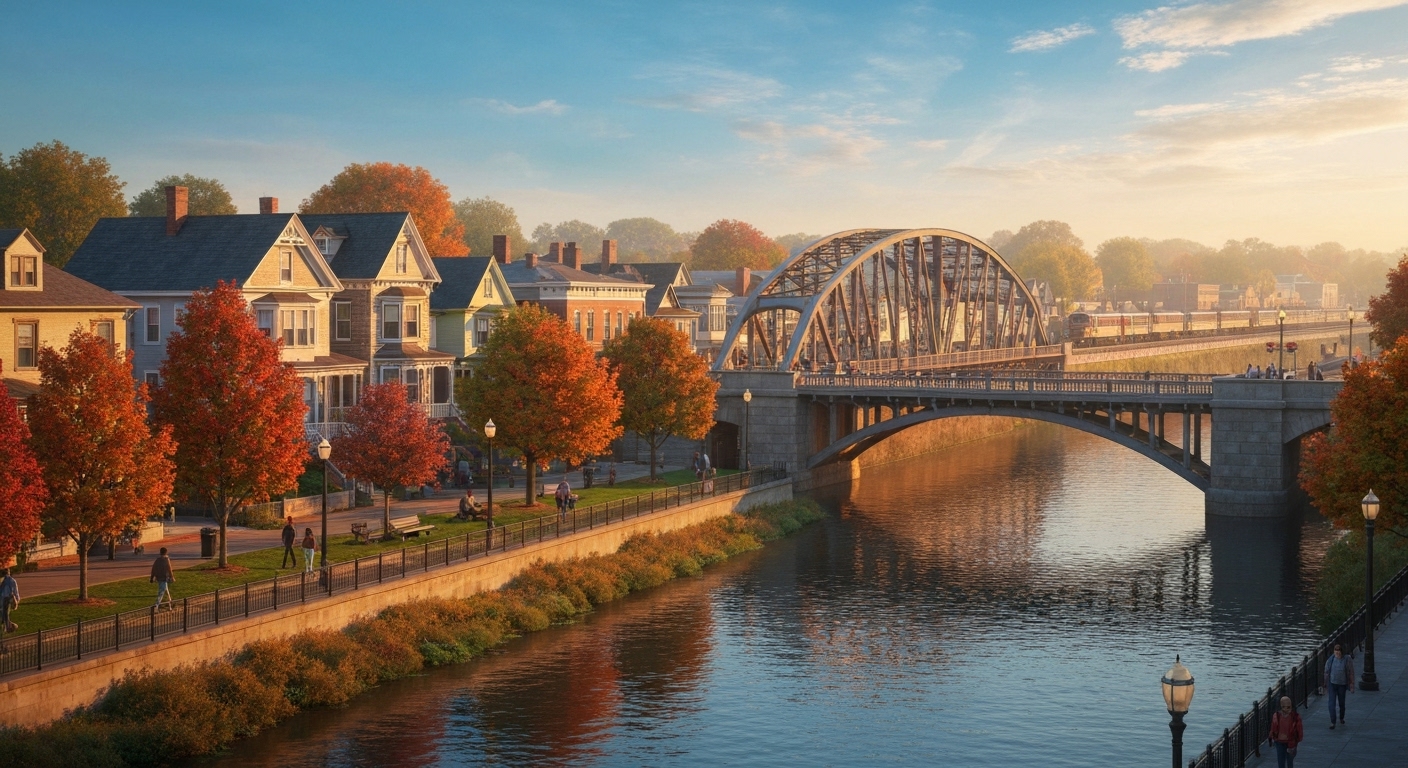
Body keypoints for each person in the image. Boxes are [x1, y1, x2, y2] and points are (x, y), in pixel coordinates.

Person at [1323, 643, 1355, 728]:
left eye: (1339, 651)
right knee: (1331, 703)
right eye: (1335, 651)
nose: (1337, 653)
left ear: (1342, 651)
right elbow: (1326, 672)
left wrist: (1351, 684)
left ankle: (1341, 717)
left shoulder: (1347, 659)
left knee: (1341, 703)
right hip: (1332, 684)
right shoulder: (1331, 659)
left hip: (1342, 685)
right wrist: (1325, 684)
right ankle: (1333, 721)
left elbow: (1351, 672)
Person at [1268, 695, 1303, 767]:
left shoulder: (1278, 716)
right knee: (1285, 763)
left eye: (1288, 707)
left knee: (1285, 762)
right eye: (1284, 707)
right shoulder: (1293, 716)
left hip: (1285, 742)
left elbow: (1273, 728)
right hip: (1285, 742)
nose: (1286, 709)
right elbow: (1273, 728)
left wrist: (1271, 737)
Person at [150, 547, 175, 611]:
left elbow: (153, 569)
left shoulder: (157, 560)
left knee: (166, 592)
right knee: (161, 593)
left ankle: (170, 605)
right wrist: (172, 577)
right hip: (164, 578)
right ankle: (156, 606)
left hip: (159, 578)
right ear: (166, 552)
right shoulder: (166, 559)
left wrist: (152, 577)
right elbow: (169, 569)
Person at [0, 567, 19, 647]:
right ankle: (8, 626)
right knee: (4, 620)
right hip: (4, 603)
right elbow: (17, 595)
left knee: (4, 619)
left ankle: (8, 626)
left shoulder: (10, 581)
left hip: (4, 603)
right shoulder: (11, 581)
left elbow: (16, 595)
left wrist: (14, 601)